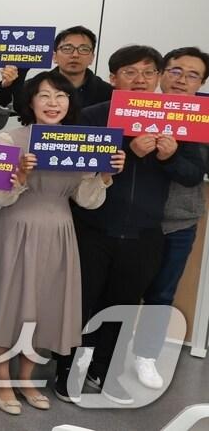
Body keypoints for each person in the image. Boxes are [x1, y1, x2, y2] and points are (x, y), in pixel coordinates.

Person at [58, 45, 203, 403]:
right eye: (130, 72)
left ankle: (106, 372)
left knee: (122, 306)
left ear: (158, 77)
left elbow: (192, 174)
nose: (140, 79)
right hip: (93, 227)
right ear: (113, 78)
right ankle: (67, 369)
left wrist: (170, 157)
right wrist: (128, 151)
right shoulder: (93, 115)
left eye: (148, 72)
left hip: (144, 233)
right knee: (81, 302)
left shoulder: (174, 118)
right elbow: (75, 166)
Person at [0, 71, 121, 415]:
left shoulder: (81, 142)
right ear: (30, 102)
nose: (53, 103)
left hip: (60, 230)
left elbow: (87, 200)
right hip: (15, 228)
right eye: (44, 96)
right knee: (8, 304)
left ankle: (27, 378)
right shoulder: (8, 139)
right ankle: (2, 378)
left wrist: (105, 175)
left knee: (45, 306)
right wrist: (21, 175)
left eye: (60, 96)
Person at [134, 46, 209, 389]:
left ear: (201, 83)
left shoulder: (203, 118)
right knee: (118, 290)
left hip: (178, 221)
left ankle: (146, 355)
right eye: (176, 71)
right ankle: (102, 352)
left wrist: (173, 156)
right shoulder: (134, 107)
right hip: (132, 218)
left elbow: (196, 173)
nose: (182, 80)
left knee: (162, 293)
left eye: (193, 75)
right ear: (162, 73)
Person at [0, 26, 114, 116]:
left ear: (92, 58)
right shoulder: (35, 85)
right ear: (54, 56)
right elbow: (16, 108)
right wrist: (9, 84)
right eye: (67, 48)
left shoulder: (108, 93)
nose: (75, 55)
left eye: (83, 49)